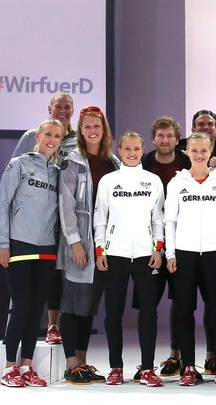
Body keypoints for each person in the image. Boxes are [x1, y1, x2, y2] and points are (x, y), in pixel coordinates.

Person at [164, 132, 216, 387]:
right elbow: (170, 221)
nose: (199, 155)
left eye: (203, 150)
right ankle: (188, 367)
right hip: (184, 254)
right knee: (184, 311)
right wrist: (170, 253)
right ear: (186, 151)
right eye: (194, 150)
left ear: (211, 151)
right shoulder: (177, 183)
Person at [94, 132, 165, 387]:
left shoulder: (153, 181)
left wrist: (158, 248)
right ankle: (116, 367)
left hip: (146, 255)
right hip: (115, 255)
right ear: (119, 150)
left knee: (148, 313)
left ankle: (147, 368)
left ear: (142, 150)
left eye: (136, 149)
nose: (132, 153)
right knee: (113, 313)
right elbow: (100, 218)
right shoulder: (108, 181)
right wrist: (100, 250)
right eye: (127, 149)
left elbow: (158, 218)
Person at [57, 106, 119, 385]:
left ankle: (82, 362)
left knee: (89, 306)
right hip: (80, 242)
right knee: (73, 304)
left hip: (103, 244)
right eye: (88, 127)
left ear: (104, 130)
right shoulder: (72, 162)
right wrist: (75, 243)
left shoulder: (113, 162)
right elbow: (66, 206)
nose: (93, 131)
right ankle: (71, 364)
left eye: (97, 126)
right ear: (80, 130)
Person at [0, 119, 63, 388]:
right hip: (19, 245)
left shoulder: (59, 172)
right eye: (48, 134)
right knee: (22, 306)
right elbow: (3, 203)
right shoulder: (19, 164)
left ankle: (26, 365)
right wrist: (3, 243)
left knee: (36, 307)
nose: (52, 139)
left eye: (57, 136)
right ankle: (8, 368)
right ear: (38, 136)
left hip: (47, 248)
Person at [12, 91, 78, 346]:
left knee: (60, 271)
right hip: (34, 218)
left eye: (67, 107)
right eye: (58, 106)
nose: (62, 110)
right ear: (49, 108)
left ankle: (55, 324)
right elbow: (14, 171)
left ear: (73, 110)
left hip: (67, 213)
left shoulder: (78, 141)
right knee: (39, 274)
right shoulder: (31, 136)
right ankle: (29, 327)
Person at [139, 116, 191, 378]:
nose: (165, 140)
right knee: (148, 303)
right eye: (160, 135)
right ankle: (145, 364)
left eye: (170, 135)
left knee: (181, 302)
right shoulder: (142, 162)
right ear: (153, 139)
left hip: (182, 241)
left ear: (177, 139)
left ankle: (175, 355)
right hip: (147, 243)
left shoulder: (187, 163)